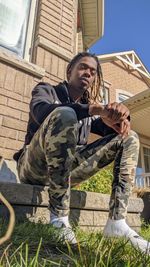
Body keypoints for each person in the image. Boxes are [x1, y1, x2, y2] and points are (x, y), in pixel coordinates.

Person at [14, 52, 149, 253]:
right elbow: (41, 111)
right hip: (33, 168)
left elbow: (109, 129)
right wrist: (94, 109)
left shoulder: (89, 114)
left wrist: (120, 117)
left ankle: (117, 223)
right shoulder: (47, 90)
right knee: (65, 113)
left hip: (66, 172)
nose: (88, 73)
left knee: (129, 137)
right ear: (70, 71)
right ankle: (59, 219)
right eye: (83, 67)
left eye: (93, 71)